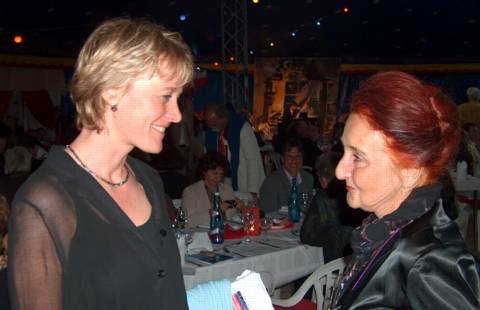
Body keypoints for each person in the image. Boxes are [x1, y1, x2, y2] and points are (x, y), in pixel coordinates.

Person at [8, 18, 193, 310]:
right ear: (111, 91)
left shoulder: (147, 179)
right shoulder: (45, 203)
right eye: (166, 96)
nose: (176, 114)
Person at [330, 71, 479, 309]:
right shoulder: (388, 231)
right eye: (343, 151)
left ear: (410, 171)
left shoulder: (429, 263)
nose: (339, 171)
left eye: (357, 157)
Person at [300, 153, 353, 263]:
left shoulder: (323, 197)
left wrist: (328, 235)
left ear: (323, 179)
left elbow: (307, 236)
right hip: (356, 262)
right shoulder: (355, 194)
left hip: (333, 265)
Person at [204, 104, 265, 198]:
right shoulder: (215, 131)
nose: (212, 128)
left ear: (223, 119)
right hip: (225, 182)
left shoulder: (242, 128)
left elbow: (253, 160)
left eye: (214, 124)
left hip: (243, 182)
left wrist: (253, 190)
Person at [182, 152, 237, 228]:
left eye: (221, 174)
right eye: (214, 173)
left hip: (226, 232)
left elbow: (233, 213)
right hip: (201, 235)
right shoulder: (190, 191)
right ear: (204, 172)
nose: (218, 178)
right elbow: (187, 221)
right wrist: (215, 211)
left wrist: (237, 206)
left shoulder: (227, 189)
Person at [259, 138, 314, 213]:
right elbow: (267, 214)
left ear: (302, 158)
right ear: (282, 159)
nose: (294, 161)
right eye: (290, 157)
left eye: (298, 156)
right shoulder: (271, 183)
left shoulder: (308, 179)